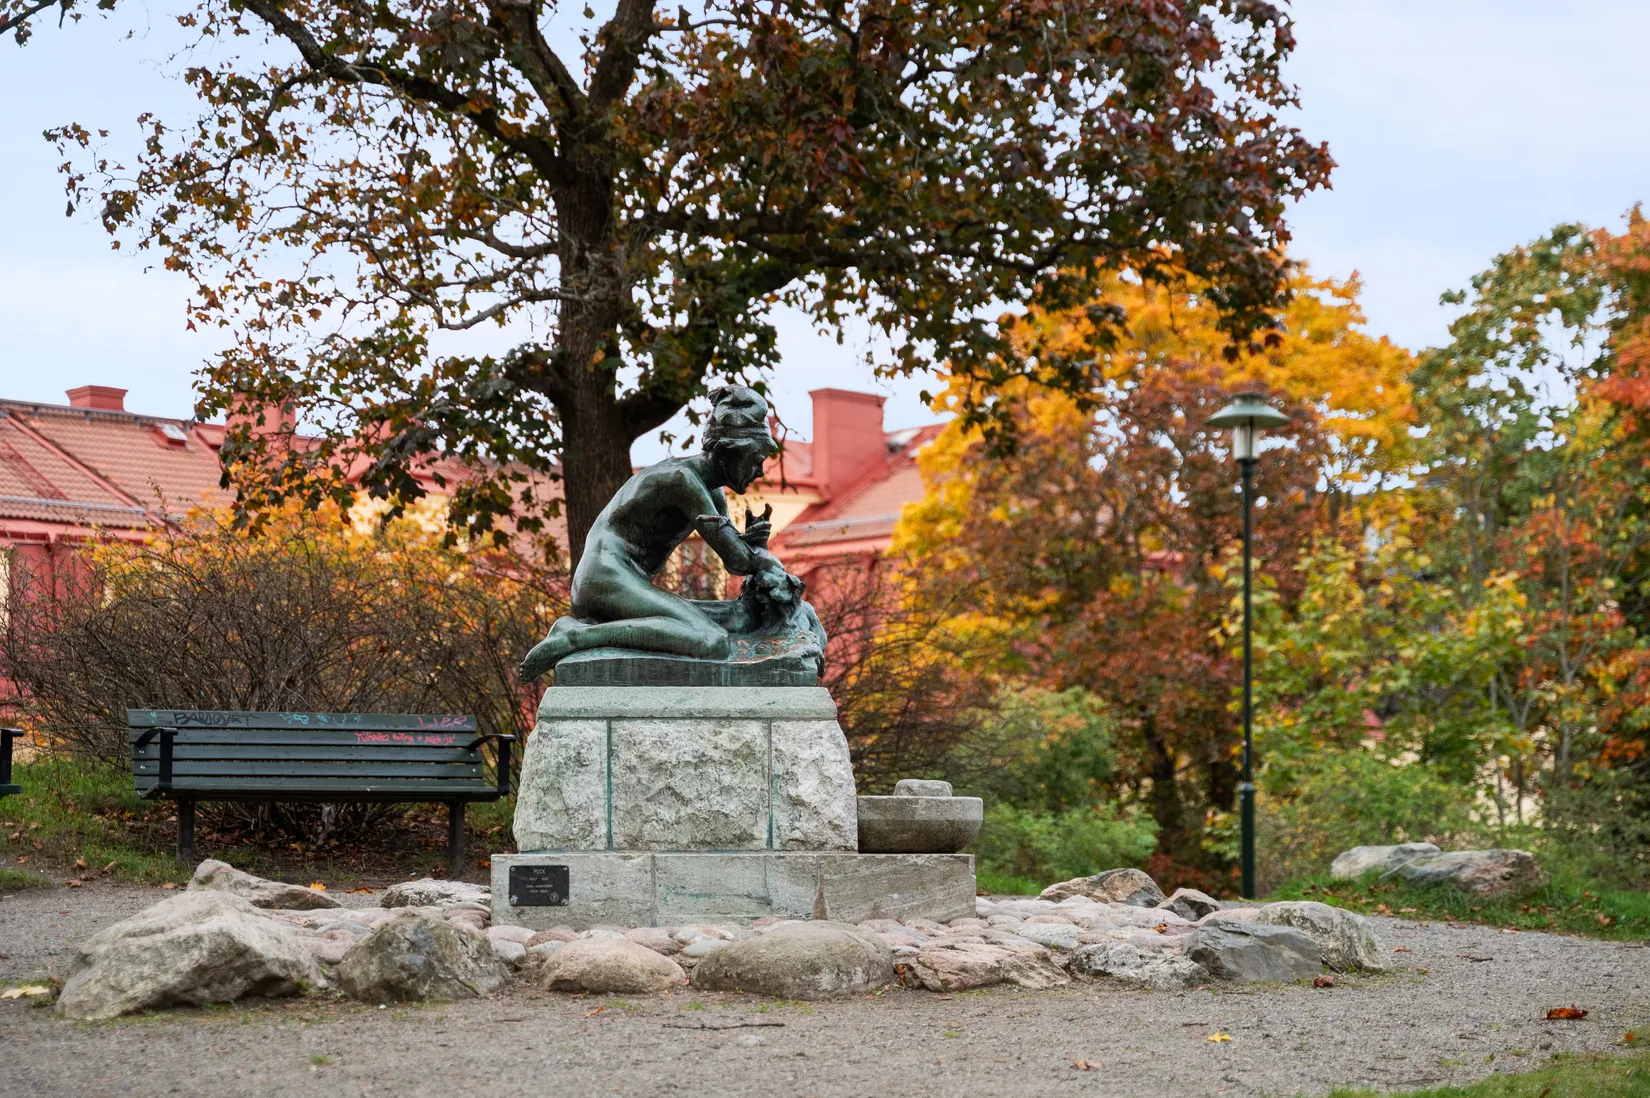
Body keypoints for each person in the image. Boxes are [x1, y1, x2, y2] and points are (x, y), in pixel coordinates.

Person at [519, 385, 806, 680]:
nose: (760, 471)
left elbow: (733, 562)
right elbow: (739, 557)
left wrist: (755, 545)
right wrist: (762, 557)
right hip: (603, 579)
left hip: (628, 583)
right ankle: (576, 636)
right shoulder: (681, 480)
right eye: (755, 460)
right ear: (725, 452)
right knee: (711, 641)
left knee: (741, 617)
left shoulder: (713, 491)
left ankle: (584, 633)